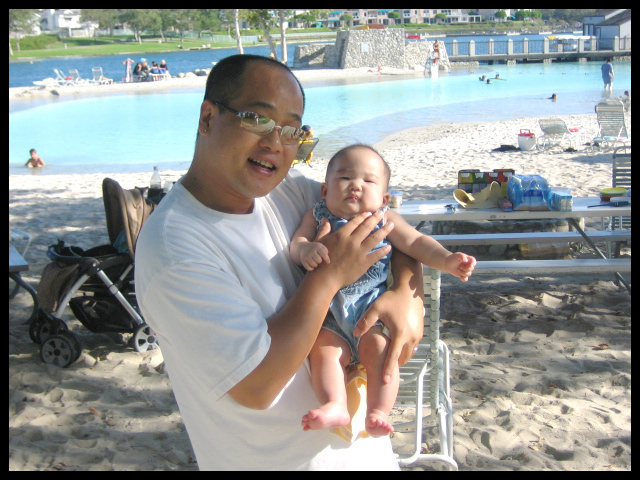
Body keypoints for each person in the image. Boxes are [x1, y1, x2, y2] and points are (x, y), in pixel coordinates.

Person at [134, 54, 425, 471]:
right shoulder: (175, 249)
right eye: (257, 119)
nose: (276, 143)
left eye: (292, 129)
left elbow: (383, 224)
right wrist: (329, 277)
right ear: (208, 118)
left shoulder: (288, 191)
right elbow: (256, 385)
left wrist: (407, 294)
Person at [290, 144, 476, 437]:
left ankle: (378, 410)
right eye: (345, 178)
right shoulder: (317, 216)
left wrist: (447, 260)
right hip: (328, 316)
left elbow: (416, 243)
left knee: (381, 353)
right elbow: (297, 242)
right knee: (324, 354)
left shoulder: (386, 219)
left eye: (368, 180)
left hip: (371, 313)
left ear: (384, 198)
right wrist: (305, 250)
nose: (356, 185)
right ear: (324, 190)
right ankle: (335, 404)